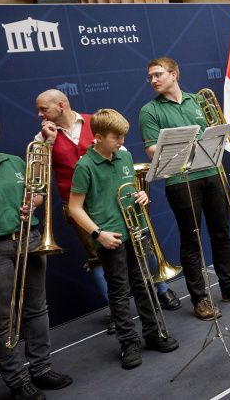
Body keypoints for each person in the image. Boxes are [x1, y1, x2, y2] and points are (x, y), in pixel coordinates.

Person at [33, 90, 181, 331]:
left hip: (114, 200)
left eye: (43, 109)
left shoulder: (99, 121)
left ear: (60, 105)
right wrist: (47, 143)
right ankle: (116, 310)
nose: (39, 114)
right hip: (78, 207)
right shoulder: (42, 137)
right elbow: (39, 176)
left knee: (141, 248)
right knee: (97, 258)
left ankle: (162, 290)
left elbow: (121, 158)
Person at [139, 58, 230, 321]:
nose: (153, 80)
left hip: (212, 173)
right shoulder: (149, 110)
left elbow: (216, 135)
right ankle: (200, 299)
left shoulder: (198, 100)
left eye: (158, 74)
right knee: (191, 240)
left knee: (221, 234)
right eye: (150, 77)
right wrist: (189, 145)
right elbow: (151, 150)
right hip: (180, 181)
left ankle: (228, 288)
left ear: (174, 75)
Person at [0, 112, 73, 400]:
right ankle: (17, 382)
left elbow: (37, 192)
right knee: (3, 322)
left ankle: (41, 369)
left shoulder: (14, 161)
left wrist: (31, 203)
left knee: (37, 309)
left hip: (29, 241)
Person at [70, 109, 179, 369]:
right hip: (110, 238)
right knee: (119, 292)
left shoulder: (126, 156)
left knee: (144, 284)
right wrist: (98, 234)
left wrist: (142, 196)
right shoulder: (85, 166)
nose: (121, 141)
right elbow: (75, 208)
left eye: (123, 136)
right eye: (116, 137)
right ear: (97, 137)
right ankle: (128, 342)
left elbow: (131, 190)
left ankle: (153, 333)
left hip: (136, 230)